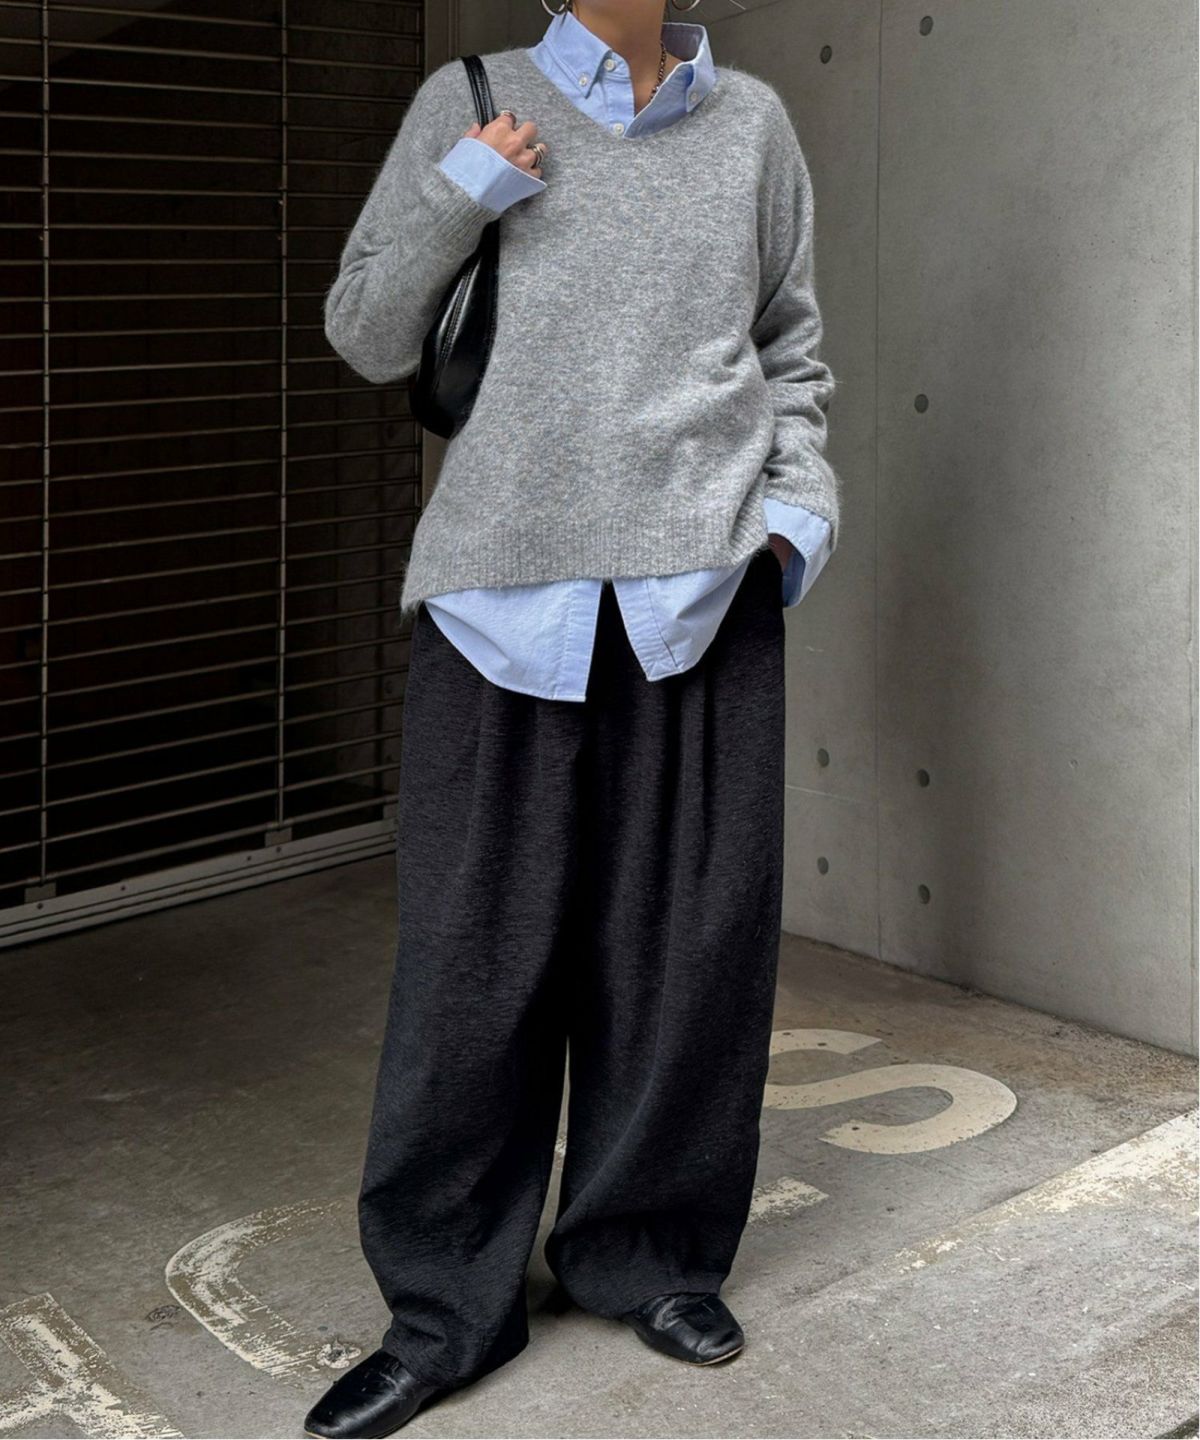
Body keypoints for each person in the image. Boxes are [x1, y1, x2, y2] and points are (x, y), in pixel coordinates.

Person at [305, 0, 839, 1434]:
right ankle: (444, 1310)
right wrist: (467, 189)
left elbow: (790, 347)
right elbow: (365, 333)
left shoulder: (753, 125)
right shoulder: (472, 96)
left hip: (703, 591)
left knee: (686, 958)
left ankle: (647, 1254)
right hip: (500, 598)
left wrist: (793, 518)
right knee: (470, 972)